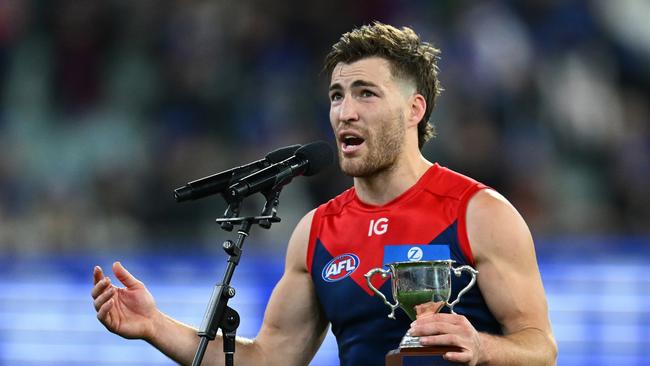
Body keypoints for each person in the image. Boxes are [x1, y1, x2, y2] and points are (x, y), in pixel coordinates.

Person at [91, 22, 557, 365]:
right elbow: (270, 358)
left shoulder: (479, 213)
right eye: (337, 95)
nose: (344, 112)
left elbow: (539, 348)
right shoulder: (317, 232)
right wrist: (155, 325)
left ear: (415, 109)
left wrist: (481, 346)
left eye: (365, 93)